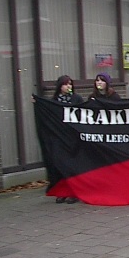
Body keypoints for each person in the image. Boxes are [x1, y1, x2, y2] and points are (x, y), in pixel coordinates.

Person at [50, 75, 84, 204]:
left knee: (72, 165)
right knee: (61, 165)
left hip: (72, 137)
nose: (68, 86)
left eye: (70, 84)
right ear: (60, 86)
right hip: (59, 137)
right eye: (65, 84)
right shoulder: (54, 100)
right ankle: (62, 191)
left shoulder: (77, 99)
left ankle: (73, 192)